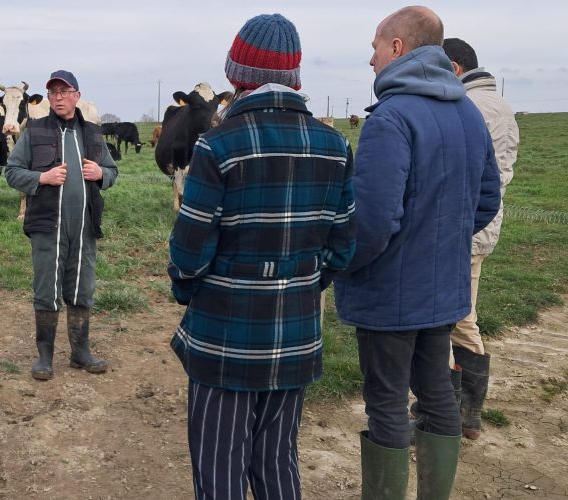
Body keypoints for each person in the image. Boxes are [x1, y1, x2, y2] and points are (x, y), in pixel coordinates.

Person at [168, 14, 356, 499]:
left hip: (225, 336)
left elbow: (189, 251)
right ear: (295, 75)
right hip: (296, 333)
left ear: (235, 73)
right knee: (277, 461)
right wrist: (302, 282)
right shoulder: (335, 146)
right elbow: (343, 245)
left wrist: (186, 288)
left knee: (220, 467)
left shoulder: (218, 145)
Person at [332, 6, 502, 499]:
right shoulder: (467, 113)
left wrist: (343, 263)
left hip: (389, 294)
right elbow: (487, 199)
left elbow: (372, 220)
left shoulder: (391, 117)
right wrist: (441, 243)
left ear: (397, 47)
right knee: (437, 395)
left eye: (374, 48)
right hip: (444, 288)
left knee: (386, 402)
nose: (371, 59)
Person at [4, 70, 118, 381]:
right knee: (47, 289)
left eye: (64, 92)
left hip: (84, 227)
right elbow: (12, 172)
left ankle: (81, 352)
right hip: (47, 226)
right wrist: (42, 177)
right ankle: (45, 355)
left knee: (82, 287)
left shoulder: (93, 133)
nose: (58, 98)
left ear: (76, 96)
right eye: (53, 93)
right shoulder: (35, 131)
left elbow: (112, 171)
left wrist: (101, 174)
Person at [440, 37, 519, 441]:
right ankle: (462, 412)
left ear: (454, 68)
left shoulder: (466, 106)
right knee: (461, 313)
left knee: (450, 317)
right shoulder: (501, 105)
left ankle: (451, 412)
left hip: (463, 226)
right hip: (485, 222)